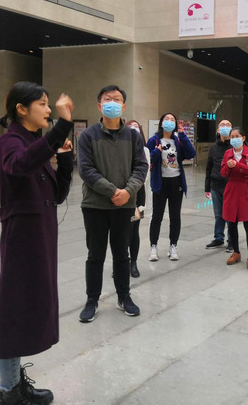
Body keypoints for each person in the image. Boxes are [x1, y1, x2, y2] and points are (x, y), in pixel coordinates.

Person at [0, 82, 74, 404]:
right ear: (21, 108)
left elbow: (57, 195)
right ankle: (9, 391)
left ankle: (14, 384)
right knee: (13, 310)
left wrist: (64, 159)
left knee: (27, 307)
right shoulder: (10, 141)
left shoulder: (33, 142)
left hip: (40, 236)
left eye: (49, 103)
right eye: (42, 103)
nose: (48, 109)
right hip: (22, 238)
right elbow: (19, 164)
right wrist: (61, 128)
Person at [77, 85, 147, 323]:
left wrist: (128, 192)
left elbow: (141, 166)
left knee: (122, 254)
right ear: (99, 105)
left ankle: (124, 297)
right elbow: (86, 169)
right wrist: (113, 191)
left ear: (124, 106)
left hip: (124, 206)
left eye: (117, 100)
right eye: (108, 99)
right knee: (95, 255)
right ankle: (92, 300)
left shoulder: (133, 136)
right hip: (95, 206)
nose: (112, 103)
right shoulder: (87, 136)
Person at [147, 112, 196, 261]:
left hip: (176, 182)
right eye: (166, 119)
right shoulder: (154, 140)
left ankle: (173, 246)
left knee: (175, 216)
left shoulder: (178, 140)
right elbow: (147, 159)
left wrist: (183, 136)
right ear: (162, 123)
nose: (169, 121)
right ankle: (153, 247)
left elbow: (191, 153)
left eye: (172, 119)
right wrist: (157, 151)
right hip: (160, 183)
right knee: (157, 216)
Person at [221, 127, 248, 273]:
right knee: (231, 224)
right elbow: (223, 173)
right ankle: (236, 252)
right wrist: (228, 167)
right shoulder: (227, 153)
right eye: (232, 137)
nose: (234, 139)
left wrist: (238, 166)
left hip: (246, 190)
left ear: (243, 138)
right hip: (232, 190)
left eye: (237, 136)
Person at [126, 120, 151, 278]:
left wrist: (130, 188)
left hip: (137, 193)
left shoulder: (145, 150)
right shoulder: (119, 147)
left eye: (136, 127)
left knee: (134, 229)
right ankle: (121, 261)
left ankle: (133, 262)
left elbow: (144, 174)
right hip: (120, 192)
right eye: (130, 126)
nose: (133, 129)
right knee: (120, 229)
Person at [204, 118, 233, 252]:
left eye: (228, 125)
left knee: (231, 215)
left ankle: (232, 240)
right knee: (218, 214)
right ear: (218, 129)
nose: (225, 127)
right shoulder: (214, 148)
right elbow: (209, 168)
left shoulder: (235, 146)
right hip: (216, 186)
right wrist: (207, 187)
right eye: (222, 125)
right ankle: (218, 237)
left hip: (231, 186)